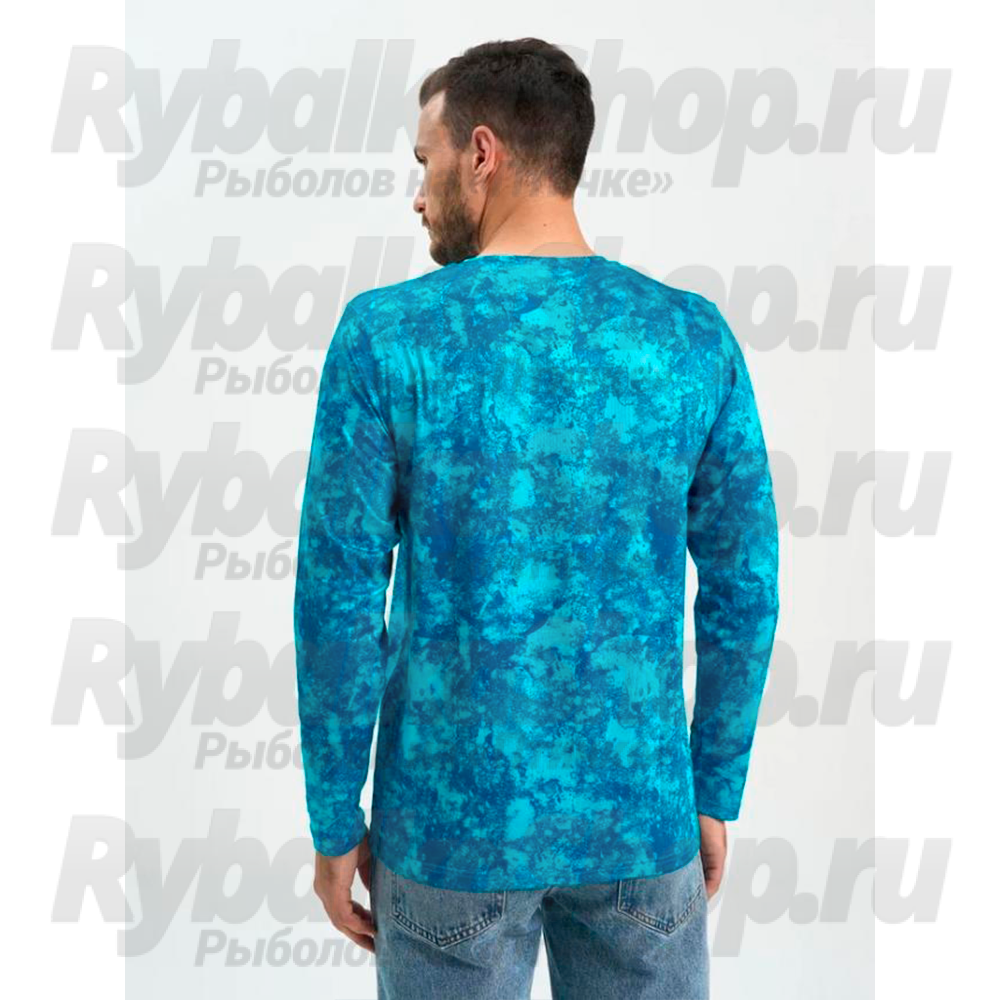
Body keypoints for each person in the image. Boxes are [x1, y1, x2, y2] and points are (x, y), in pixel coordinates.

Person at [293, 37, 780, 1000]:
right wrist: (711, 784)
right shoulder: (690, 337)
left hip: (448, 831)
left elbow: (338, 600)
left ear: (482, 153)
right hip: (639, 818)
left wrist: (334, 820)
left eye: (426, 160)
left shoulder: (387, 336)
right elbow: (746, 583)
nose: (419, 194)